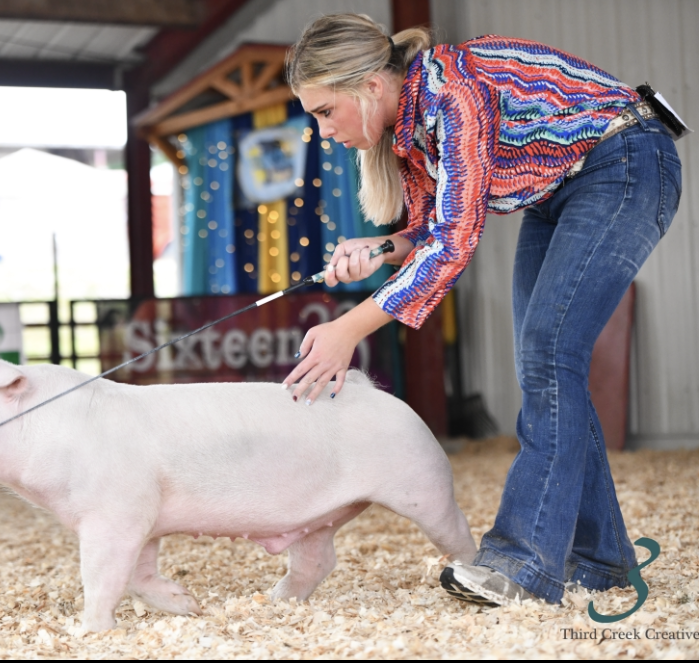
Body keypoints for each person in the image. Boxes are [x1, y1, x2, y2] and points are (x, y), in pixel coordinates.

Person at [282, 14, 682, 606]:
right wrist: (380, 250)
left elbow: (454, 244)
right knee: (546, 366)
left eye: (323, 111)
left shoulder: (451, 92)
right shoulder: (412, 128)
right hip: (559, 192)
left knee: (548, 358)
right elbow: (430, 229)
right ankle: (600, 561)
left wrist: (350, 327)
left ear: (369, 85)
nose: (323, 130)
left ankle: (523, 563)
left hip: (622, 164)